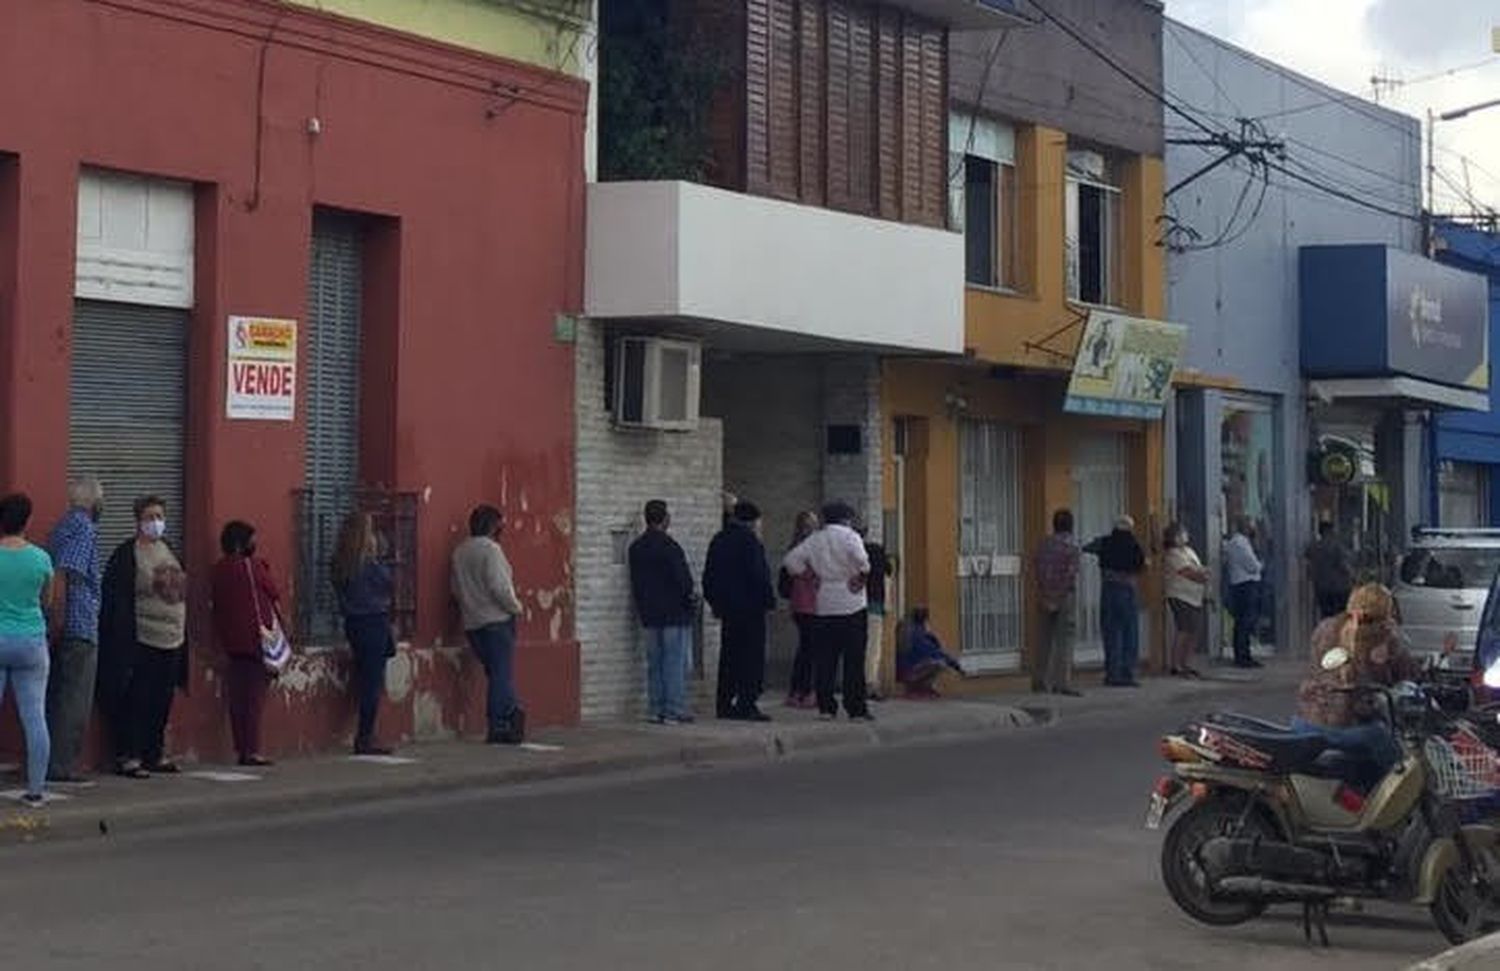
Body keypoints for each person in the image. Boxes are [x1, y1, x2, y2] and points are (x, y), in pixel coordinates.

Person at [1294, 584, 1421, 790]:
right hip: (1349, 729)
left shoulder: (1325, 627)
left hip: (1304, 723)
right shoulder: (1386, 636)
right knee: (1399, 766)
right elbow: (1408, 675)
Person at [99, 495, 188, 778]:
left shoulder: (168, 550)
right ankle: (130, 755)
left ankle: (154, 752)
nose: (156, 522)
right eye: (150, 517)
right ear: (138, 520)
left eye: (160, 516)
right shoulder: (128, 554)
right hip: (142, 638)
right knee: (138, 698)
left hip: (172, 638)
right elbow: (117, 598)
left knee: (162, 698)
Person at [784, 501, 872, 721]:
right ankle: (856, 708)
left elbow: (791, 561)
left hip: (824, 604)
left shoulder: (815, 539)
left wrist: (810, 575)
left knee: (825, 659)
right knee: (853, 660)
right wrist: (860, 575)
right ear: (846, 519)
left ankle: (826, 707)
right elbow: (863, 562)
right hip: (852, 604)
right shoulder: (851, 537)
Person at [45, 476, 103, 782]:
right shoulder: (84, 528)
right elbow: (65, 573)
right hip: (78, 623)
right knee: (75, 698)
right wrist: (60, 618)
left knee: (57, 694)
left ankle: (50, 760)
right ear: (93, 501)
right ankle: (62, 765)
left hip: (62, 623)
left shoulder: (62, 526)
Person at [452, 504, 526, 744]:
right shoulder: (491, 550)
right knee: (501, 674)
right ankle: (500, 722)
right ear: (493, 526)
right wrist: (516, 607)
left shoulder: (460, 552)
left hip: (472, 623)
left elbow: (456, 589)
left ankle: (511, 712)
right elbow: (499, 586)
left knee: (495, 673)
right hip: (496, 620)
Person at [210, 520, 282, 766]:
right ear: (241, 544)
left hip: (230, 642)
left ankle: (241, 747)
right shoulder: (253, 567)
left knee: (237, 699)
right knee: (253, 700)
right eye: (252, 539)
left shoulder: (218, 570)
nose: (255, 544)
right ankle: (251, 750)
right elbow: (273, 591)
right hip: (256, 640)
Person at [0, 494, 55, 805]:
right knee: (34, 717)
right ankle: (36, 790)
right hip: (31, 641)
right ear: (27, 521)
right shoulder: (41, 559)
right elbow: (47, 601)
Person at [704, 501, 776, 722]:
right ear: (752, 521)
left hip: (728, 610)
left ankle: (724, 704)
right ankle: (747, 703)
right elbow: (759, 576)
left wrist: (715, 603)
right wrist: (769, 601)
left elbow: (709, 576)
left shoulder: (719, 540)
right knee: (751, 658)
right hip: (751, 609)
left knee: (729, 657)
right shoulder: (750, 542)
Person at [628, 500, 697, 725]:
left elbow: (636, 582)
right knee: (674, 663)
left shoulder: (636, 548)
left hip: (649, 613)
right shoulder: (670, 546)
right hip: (674, 613)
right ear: (665, 518)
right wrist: (690, 598)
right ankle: (673, 709)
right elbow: (683, 580)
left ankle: (655, 708)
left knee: (655, 663)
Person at [333, 512, 397, 755]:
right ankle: (365, 736)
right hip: (373, 623)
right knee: (372, 682)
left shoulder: (340, 563)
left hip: (353, 623)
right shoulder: (370, 566)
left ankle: (367, 734)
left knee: (367, 679)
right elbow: (387, 584)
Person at [1086, 516, 1145, 688]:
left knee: (1112, 632)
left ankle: (1113, 673)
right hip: (1128, 590)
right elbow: (1141, 564)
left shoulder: (1105, 542)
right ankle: (1128, 673)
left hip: (1110, 589)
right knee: (1129, 632)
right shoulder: (1134, 545)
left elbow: (1087, 548)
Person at [1033, 509, 1082, 697]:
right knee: (1065, 640)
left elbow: (1037, 569)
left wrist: (1046, 594)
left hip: (1044, 595)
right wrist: (1058, 596)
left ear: (1054, 525)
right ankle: (1062, 683)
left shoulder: (1044, 545)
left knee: (1043, 639)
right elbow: (1070, 575)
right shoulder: (1072, 547)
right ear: (1071, 525)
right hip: (1065, 597)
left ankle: (1040, 680)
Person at [779, 511, 819, 709]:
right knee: (810, 650)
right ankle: (806, 691)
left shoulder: (795, 548)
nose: (815, 528)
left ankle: (797, 692)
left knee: (805, 648)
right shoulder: (807, 549)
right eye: (811, 525)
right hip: (809, 604)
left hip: (800, 604)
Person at [1163, 523, 1208, 679]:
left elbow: (1199, 568)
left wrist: (1202, 573)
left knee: (1194, 630)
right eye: (1182, 533)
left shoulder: (1189, 551)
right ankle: (1176, 665)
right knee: (1184, 629)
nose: (1185, 535)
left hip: (1195, 596)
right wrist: (1201, 575)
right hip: (1180, 595)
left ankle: (1186, 662)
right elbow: (1187, 572)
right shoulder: (1172, 554)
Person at [895, 607, 964, 698]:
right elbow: (936, 653)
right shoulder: (918, 634)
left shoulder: (907, 628)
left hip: (902, 667)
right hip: (908, 670)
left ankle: (920, 686)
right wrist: (956, 666)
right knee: (938, 664)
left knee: (934, 660)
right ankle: (918, 687)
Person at [1225, 516, 1264, 669]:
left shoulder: (1240, 542)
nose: (1254, 529)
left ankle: (1244, 654)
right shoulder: (1240, 543)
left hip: (1241, 585)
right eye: (1252, 526)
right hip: (1246, 585)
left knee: (1243, 622)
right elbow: (1252, 566)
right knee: (1245, 622)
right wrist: (1260, 565)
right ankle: (1242, 656)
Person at [862, 529, 894, 703]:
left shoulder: (857, 555)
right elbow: (889, 572)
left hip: (855, 606)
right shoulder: (878, 555)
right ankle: (870, 683)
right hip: (874, 606)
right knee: (873, 647)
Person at [1306, 522, 1354, 621]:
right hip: (1339, 588)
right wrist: (1352, 576)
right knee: (1341, 616)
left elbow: (1308, 562)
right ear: (1329, 531)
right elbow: (1344, 565)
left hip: (1322, 588)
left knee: (1326, 615)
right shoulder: (1336, 546)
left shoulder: (1314, 547)